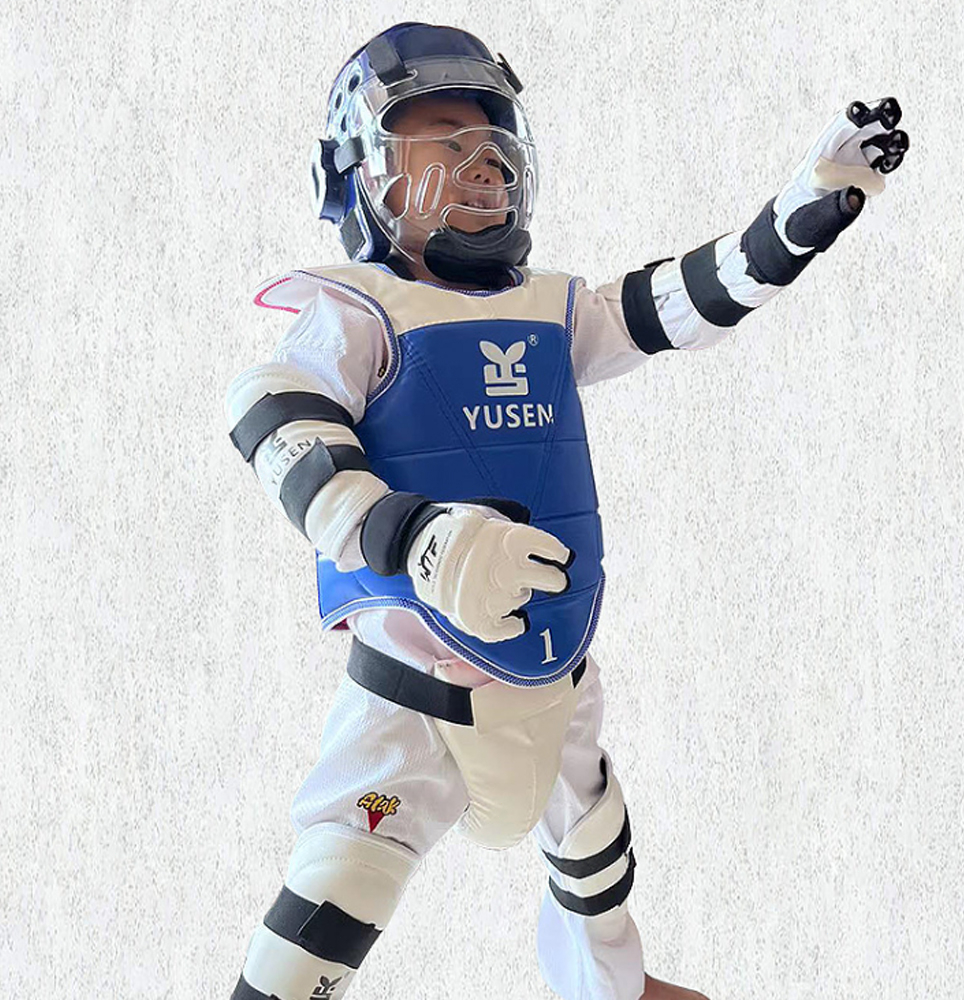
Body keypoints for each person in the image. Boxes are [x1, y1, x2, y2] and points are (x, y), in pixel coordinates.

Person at [224, 21, 908, 1000]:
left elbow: (670, 307)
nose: (478, 163)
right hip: (415, 689)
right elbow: (272, 415)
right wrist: (415, 540)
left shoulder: (551, 307)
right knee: (345, 874)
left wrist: (790, 222)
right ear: (359, 171)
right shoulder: (357, 310)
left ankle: (612, 987)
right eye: (439, 138)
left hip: (555, 666)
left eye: (490, 140)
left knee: (593, 838)